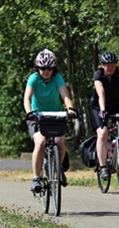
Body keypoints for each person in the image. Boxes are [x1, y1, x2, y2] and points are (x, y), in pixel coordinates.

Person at [23, 48, 75, 193]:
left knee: (59, 142)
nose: (46, 71)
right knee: (40, 142)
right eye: (43, 68)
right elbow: (27, 98)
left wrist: (70, 109)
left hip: (55, 115)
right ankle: (36, 178)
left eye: (49, 68)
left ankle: (58, 169)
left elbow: (65, 95)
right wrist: (29, 113)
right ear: (38, 68)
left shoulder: (57, 78)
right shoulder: (33, 78)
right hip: (37, 117)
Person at [89, 52, 119, 179]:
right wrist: (103, 110)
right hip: (98, 107)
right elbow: (101, 93)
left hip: (116, 106)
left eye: (112, 65)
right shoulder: (98, 74)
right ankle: (103, 166)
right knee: (103, 133)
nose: (110, 68)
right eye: (107, 65)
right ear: (102, 65)